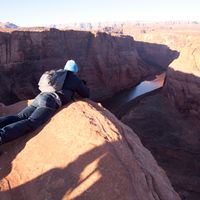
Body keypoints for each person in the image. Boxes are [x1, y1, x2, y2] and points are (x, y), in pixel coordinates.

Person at [0, 60, 90, 145]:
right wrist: (81, 84)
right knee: (31, 122)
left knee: (19, 117)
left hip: (40, 97)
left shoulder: (58, 73)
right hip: (49, 101)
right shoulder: (74, 79)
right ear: (75, 70)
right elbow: (85, 93)